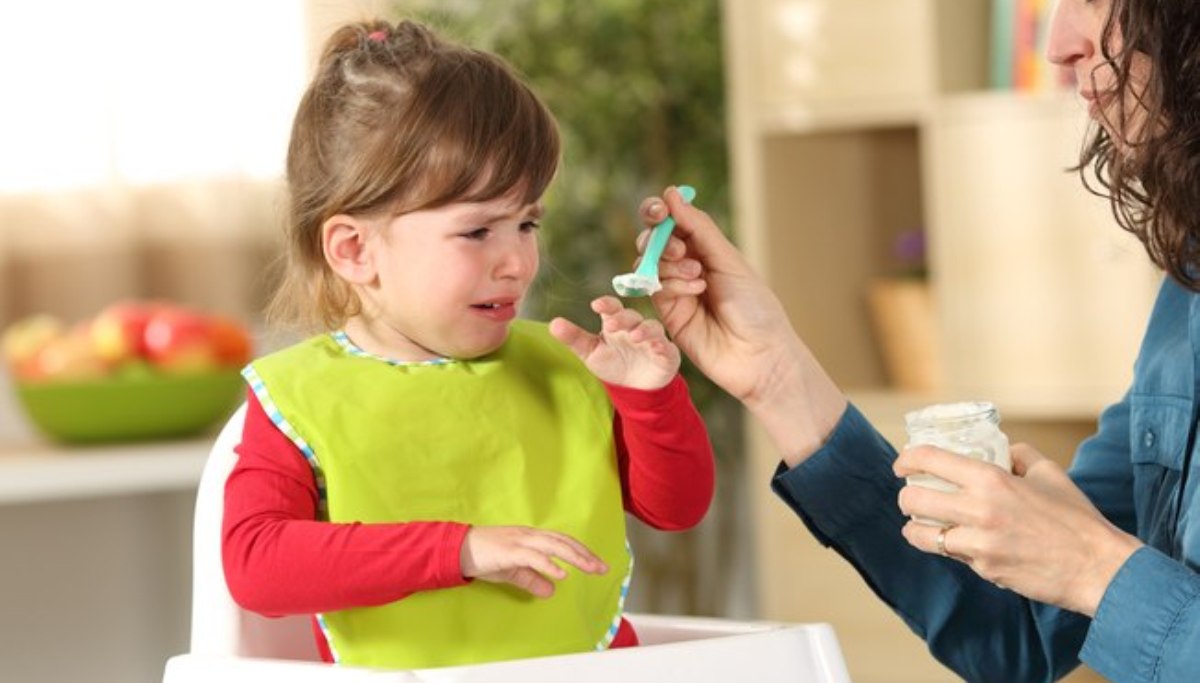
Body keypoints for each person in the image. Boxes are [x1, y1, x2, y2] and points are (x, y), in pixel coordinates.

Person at [632, 1, 1196, 681]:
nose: (1058, 45)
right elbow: (1018, 628)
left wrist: (1094, 570)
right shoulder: (1185, 297)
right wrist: (778, 377)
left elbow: (1089, 583)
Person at [221, 19, 715, 671]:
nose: (517, 260)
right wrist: (460, 550)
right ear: (354, 249)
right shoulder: (298, 398)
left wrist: (650, 400)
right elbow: (257, 565)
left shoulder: (565, 366)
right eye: (478, 230)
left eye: (527, 221)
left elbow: (677, 507)